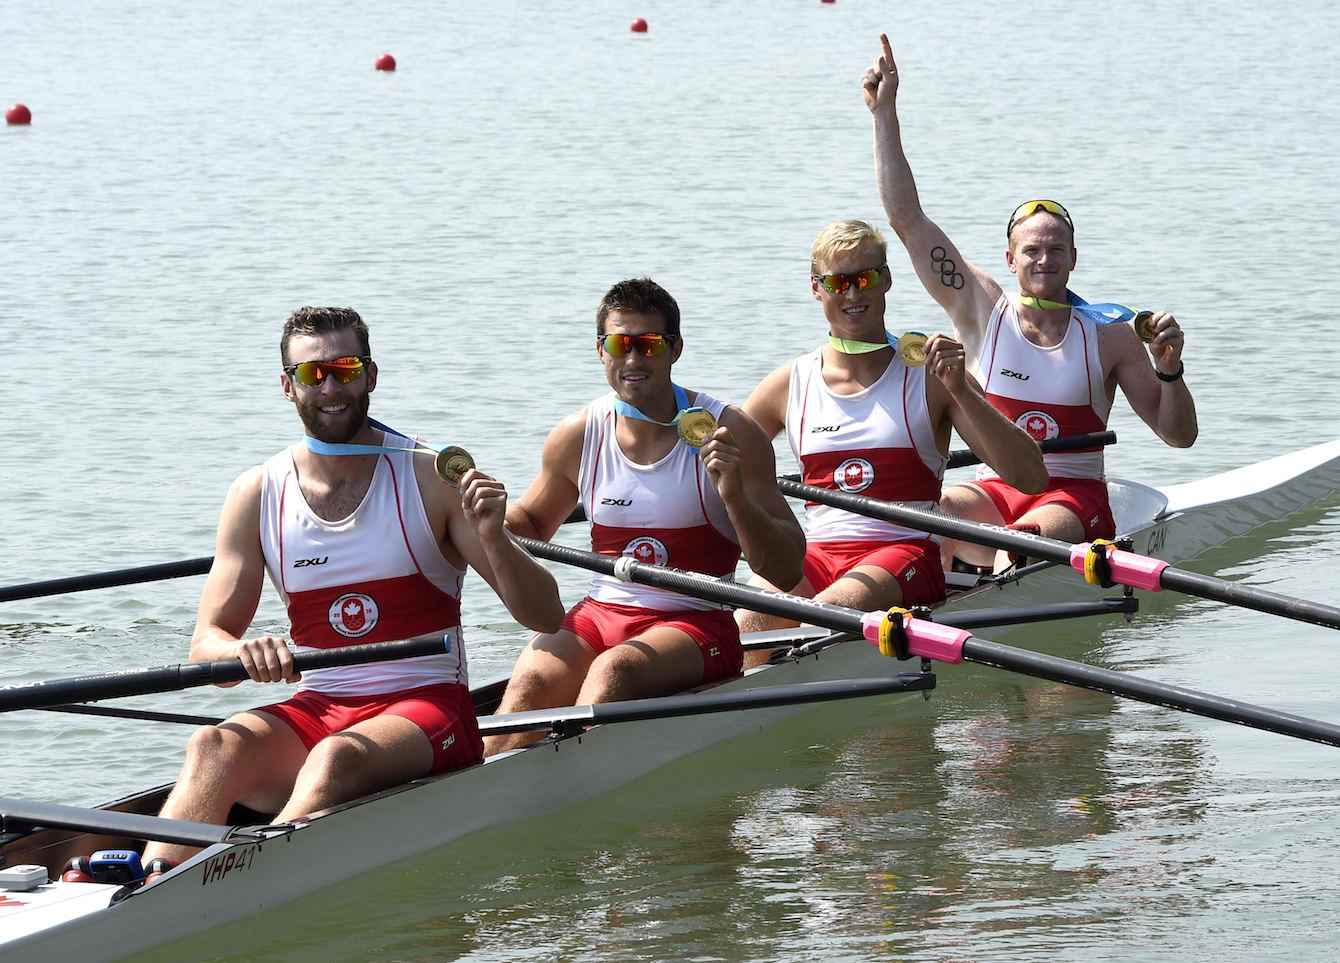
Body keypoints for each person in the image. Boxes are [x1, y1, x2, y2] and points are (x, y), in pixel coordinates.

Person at [140, 306, 563, 870]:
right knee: (214, 746)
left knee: (334, 759)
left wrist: (494, 535)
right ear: (287, 387)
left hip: (429, 709)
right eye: (313, 375)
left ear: (371, 375)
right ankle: (151, 884)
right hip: (321, 705)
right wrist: (241, 652)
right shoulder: (256, 493)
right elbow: (206, 644)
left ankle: (251, 885)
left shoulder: (431, 476)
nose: (332, 387)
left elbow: (545, 615)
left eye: (345, 368)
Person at [865, 33, 1198, 570]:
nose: (1044, 260)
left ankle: (984, 578)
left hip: (1074, 500)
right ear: (1010, 258)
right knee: (931, 512)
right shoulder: (980, 309)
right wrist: (885, 115)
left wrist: (1169, 370)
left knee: (1018, 541)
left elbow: (1178, 436)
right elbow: (908, 221)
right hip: (994, 490)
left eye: (1056, 250)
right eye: (1032, 250)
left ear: (1073, 258)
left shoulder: (1110, 333)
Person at [483, 278, 805, 755]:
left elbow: (787, 568)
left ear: (674, 348)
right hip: (600, 612)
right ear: (601, 350)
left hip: (695, 618)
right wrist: (483, 517)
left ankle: (582, 792)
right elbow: (530, 524)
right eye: (620, 344)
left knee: (614, 670)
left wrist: (733, 496)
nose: (633, 359)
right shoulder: (577, 434)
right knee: (527, 685)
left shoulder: (731, 432)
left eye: (648, 344)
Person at [734, 219, 1046, 645]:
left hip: (905, 552)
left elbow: (1030, 476)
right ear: (815, 287)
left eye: (865, 278)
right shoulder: (789, 383)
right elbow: (714, 469)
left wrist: (962, 390)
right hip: (818, 553)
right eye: (839, 282)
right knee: (747, 624)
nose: (854, 294)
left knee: (828, 613)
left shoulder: (930, 373)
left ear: (886, 280)